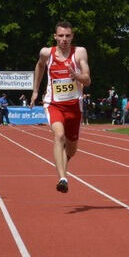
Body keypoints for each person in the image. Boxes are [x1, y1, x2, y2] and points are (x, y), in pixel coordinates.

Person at [30, 21, 91, 193]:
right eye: (61, 36)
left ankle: (64, 159)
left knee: (72, 148)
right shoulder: (46, 53)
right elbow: (40, 66)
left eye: (68, 36)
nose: (64, 39)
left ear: (72, 37)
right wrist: (35, 91)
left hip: (74, 107)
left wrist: (76, 75)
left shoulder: (79, 52)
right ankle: (63, 178)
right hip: (53, 104)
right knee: (59, 135)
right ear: (55, 37)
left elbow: (87, 79)